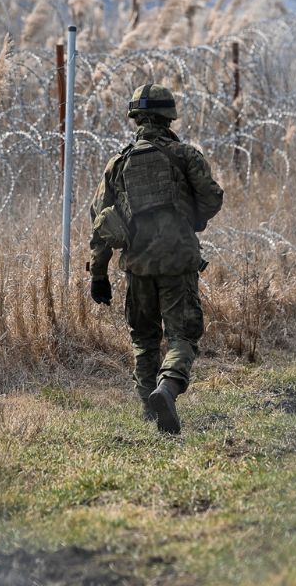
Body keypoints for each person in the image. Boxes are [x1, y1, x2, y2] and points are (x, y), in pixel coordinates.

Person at [87, 83, 224, 434]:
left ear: (136, 118)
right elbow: (212, 198)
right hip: (178, 261)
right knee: (183, 335)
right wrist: (191, 219)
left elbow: (102, 221)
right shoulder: (185, 155)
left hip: (138, 265)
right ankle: (168, 388)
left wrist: (99, 274)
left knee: (144, 338)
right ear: (169, 117)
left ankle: (151, 406)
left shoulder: (118, 163)